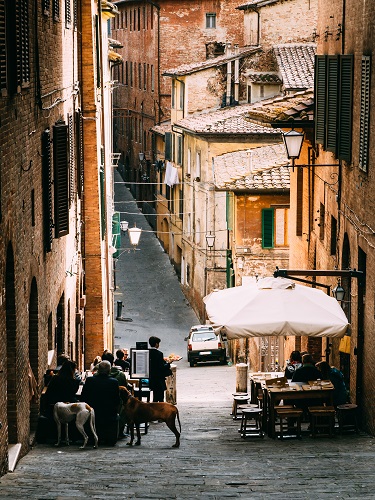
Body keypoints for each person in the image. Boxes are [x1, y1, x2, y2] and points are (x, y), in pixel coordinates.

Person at [81, 360, 121, 446]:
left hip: (93, 412)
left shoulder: (90, 380)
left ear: (98, 369)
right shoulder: (114, 382)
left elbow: (83, 397)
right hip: (109, 412)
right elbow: (117, 400)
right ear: (109, 370)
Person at [148, 336, 167, 402]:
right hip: (159, 379)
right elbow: (161, 367)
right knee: (161, 397)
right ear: (156, 344)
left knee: (155, 397)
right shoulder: (159, 354)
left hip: (152, 378)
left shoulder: (147, 353)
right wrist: (169, 363)